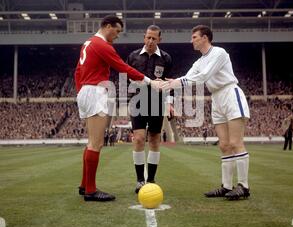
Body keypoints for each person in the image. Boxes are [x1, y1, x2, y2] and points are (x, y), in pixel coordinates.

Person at [161, 25, 250, 200]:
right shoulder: (199, 61)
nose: (191, 40)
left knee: (235, 143)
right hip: (216, 98)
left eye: (194, 37)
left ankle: (244, 186)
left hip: (230, 93)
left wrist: (176, 82)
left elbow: (203, 76)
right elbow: (188, 77)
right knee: (224, 145)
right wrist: (169, 84)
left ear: (205, 38)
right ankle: (226, 186)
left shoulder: (219, 53)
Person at [74, 15, 158, 202]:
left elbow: (77, 71)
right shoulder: (102, 45)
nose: (118, 35)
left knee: (91, 143)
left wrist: (81, 91)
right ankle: (90, 190)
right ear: (107, 26)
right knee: (96, 143)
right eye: (117, 31)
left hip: (86, 90)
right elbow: (122, 67)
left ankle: (84, 185)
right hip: (96, 91)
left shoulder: (87, 43)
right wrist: (148, 80)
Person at [126, 25, 173, 193]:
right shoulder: (133, 56)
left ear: (159, 40)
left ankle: (151, 180)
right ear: (144, 37)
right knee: (138, 138)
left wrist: (170, 103)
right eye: (148, 37)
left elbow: (169, 83)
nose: (150, 41)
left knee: (154, 139)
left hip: (157, 103)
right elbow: (125, 78)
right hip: (137, 102)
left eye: (154, 38)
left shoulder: (166, 58)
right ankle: (140, 180)